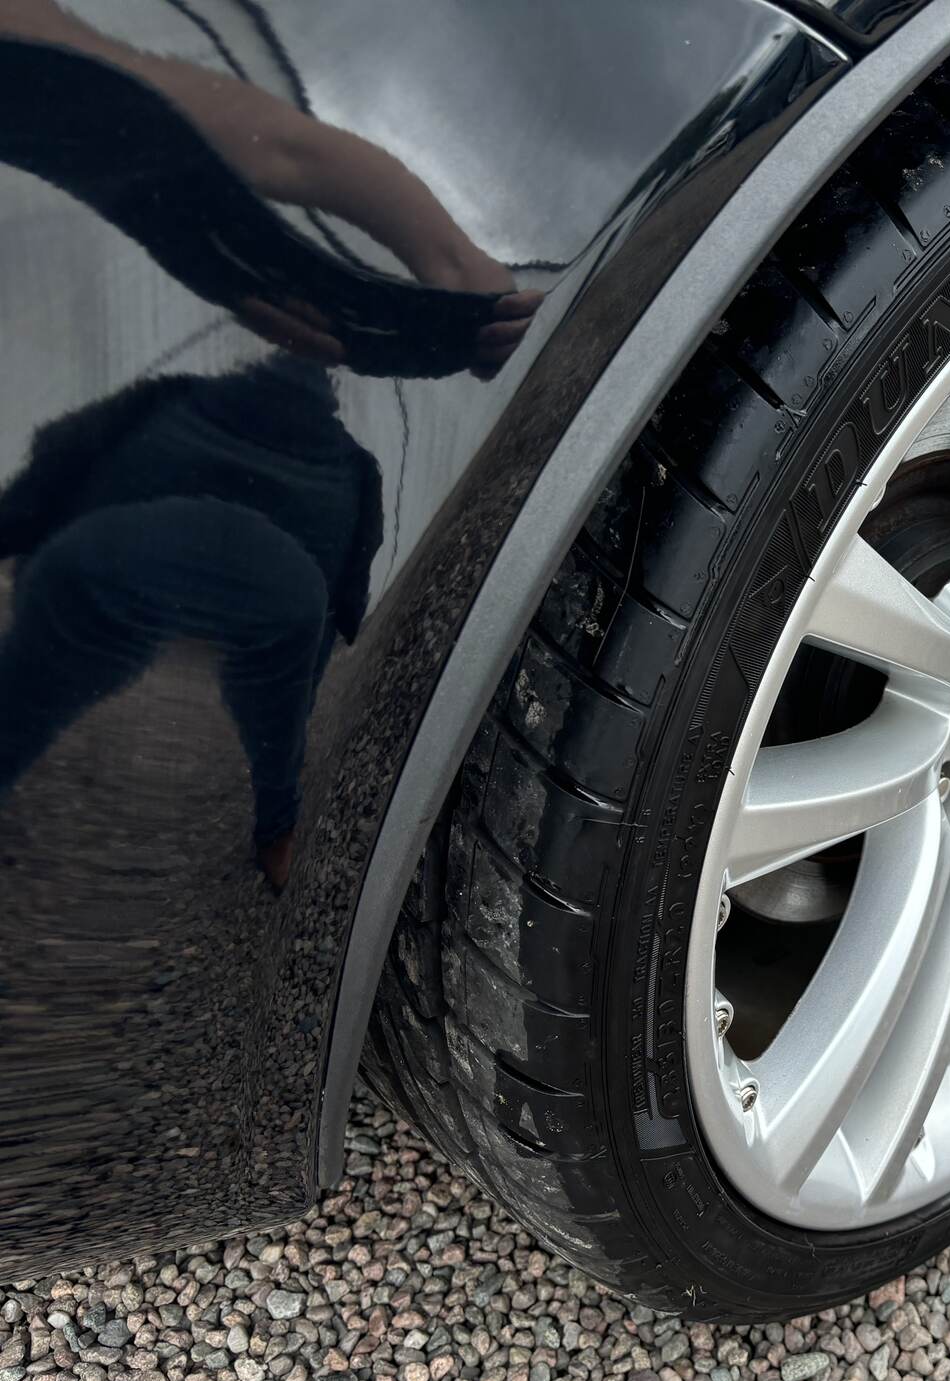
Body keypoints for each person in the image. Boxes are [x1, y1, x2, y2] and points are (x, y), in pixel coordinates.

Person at [0, 0, 544, 887]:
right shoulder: (294, 457)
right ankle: (280, 821)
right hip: (236, 559)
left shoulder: (199, 418)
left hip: (174, 538)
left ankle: (278, 816)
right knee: (257, 610)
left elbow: (254, 143)